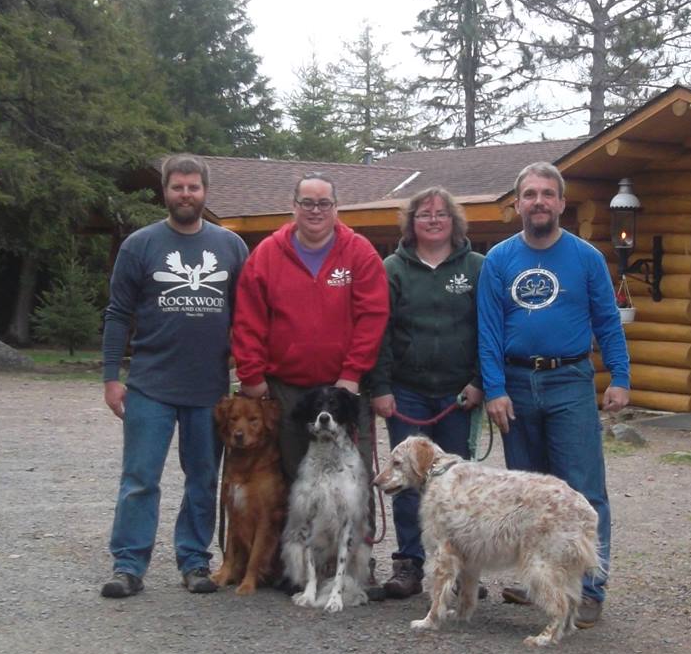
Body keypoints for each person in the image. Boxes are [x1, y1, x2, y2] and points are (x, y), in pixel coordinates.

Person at [477, 160, 631, 627]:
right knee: (528, 495)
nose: (539, 201)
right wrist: (494, 389)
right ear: (517, 204)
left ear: (562, 202)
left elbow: (608, 321)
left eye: (547, 193)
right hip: (517, 385)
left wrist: (620, 377)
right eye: (530, 194)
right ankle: (540, 583)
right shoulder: (499, 260)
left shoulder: (585, 258)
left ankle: (588, 589)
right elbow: (488, 330)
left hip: (569, 381)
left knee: (583, 491)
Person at [99, 155, 249, 598]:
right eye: (178, 187)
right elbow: (117, 313)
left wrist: (246, 365)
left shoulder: (231, 247)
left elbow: (247, 316)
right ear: (165, 191)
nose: (186, 195)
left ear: (206, 192)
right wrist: (111, 376)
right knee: (140, 479)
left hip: (209, 390)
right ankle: (128, 566)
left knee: (202, 479)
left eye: (194, 188)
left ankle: (194, 561)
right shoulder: (140, 245)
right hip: (150, 386)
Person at [230, 173, 389, 484]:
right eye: (307, 203)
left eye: (324, 203)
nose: (316, 211)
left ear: (336, 208)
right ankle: (296, 534)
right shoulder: (266, 254)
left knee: (353, 479)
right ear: (294, 206)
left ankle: (358, 534)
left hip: (344, 387)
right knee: (291, 477)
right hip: (287, 388)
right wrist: (251, 376)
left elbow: (372, 317)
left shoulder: (360, 252)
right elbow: (248, 320)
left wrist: (352, 373)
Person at [366, 186, 484, 601]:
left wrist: (479, 382)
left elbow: (487, 332)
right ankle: (409, 564)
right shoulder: (392, 269)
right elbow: (378, 332)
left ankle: (462, 569)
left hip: (458, 394)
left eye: (440, 214)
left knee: (458, 484)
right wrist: (380, 387)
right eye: (424, 214)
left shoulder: (476, 267)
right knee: (407, 479)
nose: (433, 220)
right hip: (407, 391)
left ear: (454, 220)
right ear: (411, 222)